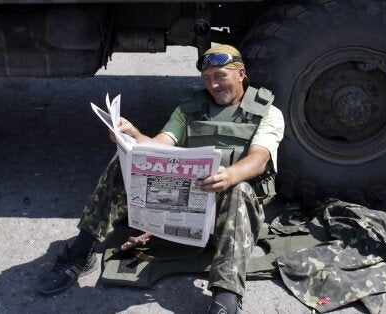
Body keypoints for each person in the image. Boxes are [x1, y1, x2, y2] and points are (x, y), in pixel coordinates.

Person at [37, 44, 285, 313]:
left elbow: (259, 159)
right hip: (185, 203)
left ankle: (226, 295)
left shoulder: (267, 111)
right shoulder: (188, 109)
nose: (213, 85)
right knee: (124, 163)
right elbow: (159, 146)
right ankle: (80, 253)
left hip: (229, 213)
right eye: (206, 78)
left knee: (241, 190)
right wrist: (133, 136)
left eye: (220, 76)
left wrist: (231, 175)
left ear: (241, 73)